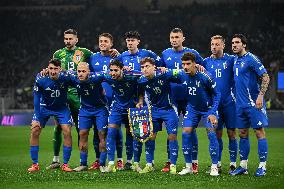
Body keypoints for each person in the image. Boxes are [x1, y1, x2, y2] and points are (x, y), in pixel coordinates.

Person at [46, 29, 94, 170]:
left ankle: (82, 162)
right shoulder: (58, 54)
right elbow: (53, 69)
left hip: (77, 95)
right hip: (61, 94)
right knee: (58, 127)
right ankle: (55, 160)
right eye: (66, 39)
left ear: (76, 39)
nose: (67, 41)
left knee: (81, 128)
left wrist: (113, 51)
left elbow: (95, 63)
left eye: (70, 38)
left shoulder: (85, 53)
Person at [115, 31, 163, 170]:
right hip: (131, 98)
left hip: (145, 97)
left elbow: (159, 65)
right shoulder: (122, 56)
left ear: (138, 42)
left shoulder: (148, 54)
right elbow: (116, 71)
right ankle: (133, 161)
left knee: (147, 132)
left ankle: (149, 162)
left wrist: (161, 68)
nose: (130, 43)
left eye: (132, 40)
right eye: (128, 40)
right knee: (133, 131)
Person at [160, 28, 203, 173]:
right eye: (172, 37)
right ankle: (169, 161)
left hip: (189, 98)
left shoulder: (193, 53)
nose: (174, 39)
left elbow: (203, 69)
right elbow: (160, 71)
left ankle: (194, 162)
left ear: (183, 38)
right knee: (171, 131)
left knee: (190, 130)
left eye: (177, 37)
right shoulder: (165, 53)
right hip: (172, 99)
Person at [229, 34, 270, 177]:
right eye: (233, 43)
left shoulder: (251, 59)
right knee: (242, 133)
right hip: (240, 105)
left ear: (244, 45)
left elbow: (265, 76)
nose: (234, 45)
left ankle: (262, 166)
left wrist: (260, 96)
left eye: (237, 42)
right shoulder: (234, 60)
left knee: (259, 132)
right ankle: (243, 166)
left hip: (254, 103)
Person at [136, 57, 182, 174]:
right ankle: (149, 164)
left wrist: (170, 70)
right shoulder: (141, 80)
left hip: (169, 109)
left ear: (154, 67)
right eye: (142, 67)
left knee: (172, 136)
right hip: (154, 110)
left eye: (147, 66)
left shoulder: (163, 74)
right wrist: (140, 101)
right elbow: (140, 91)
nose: (144, 69)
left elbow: (180, 73)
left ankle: (173, 165)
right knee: (150, 137)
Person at [178, 52, 221, 176]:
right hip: (192, 109)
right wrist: (161, 69)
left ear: (195, 64)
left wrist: (212, 112)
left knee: (211, 133)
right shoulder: (181, 74)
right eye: (183, 64)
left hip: (208, 110)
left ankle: (214, 167)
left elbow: (217, 94)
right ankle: (188, 166)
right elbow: (169, 73)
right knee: (185, 133)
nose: (185, 67)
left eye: (188, 64)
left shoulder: (205, 76)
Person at [28, 59, 73, 172]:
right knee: (35, 130)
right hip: (44, 107)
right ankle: (35, 164)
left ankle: (65, 164)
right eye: (51, 68)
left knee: (67, 131)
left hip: (61, 108)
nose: (52, 71)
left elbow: (79, 80)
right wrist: (37, 118)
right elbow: (36, 99)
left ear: (60, 69)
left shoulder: (66, 76)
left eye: (55, 69)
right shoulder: (41, 78)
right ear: (48, 68)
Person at [98, 60, 142, 173]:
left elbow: (146, 75)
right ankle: (111, 163)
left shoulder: (132, 75)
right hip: (116, 108)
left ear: (122, 69)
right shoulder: (107, 76)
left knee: (130, 136)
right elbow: (92, 75)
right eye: (111, 70)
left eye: (116, 70)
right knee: (111, 133)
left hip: (131, 108)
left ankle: (129, 162)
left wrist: (140, 100)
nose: (113, 73)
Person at [89, 33, 124, 170]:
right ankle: (99, 160)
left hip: (114, 99)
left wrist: (119, 55)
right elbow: (89, 77)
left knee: (116, 130)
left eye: (105, 41)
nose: (102, 43)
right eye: (100, 41)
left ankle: (119, 159)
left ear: (111, 44)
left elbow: (123, 73)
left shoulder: (117, 57)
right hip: (98, 101)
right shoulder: (93, 58)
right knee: (98, 131)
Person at [203, 35, 238, 173]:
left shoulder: (231, 60)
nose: (214, 47)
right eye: (212, 44)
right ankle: (217, 163)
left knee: (231, 134)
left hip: (229, 103)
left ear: (223, 45)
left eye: (217, 44)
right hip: (214, 105)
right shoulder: (205, 62)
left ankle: (233, 163)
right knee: (217, 134)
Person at [68, 62, 109, 172]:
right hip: (85, 110)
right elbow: (60, 73)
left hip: (100, 109)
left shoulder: (97, 77)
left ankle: (102, 164)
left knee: (102, 135)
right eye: (79, 71)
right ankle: (83, 164)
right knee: (82, 134)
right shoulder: (73, 78)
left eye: (83, 71)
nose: (80, 74)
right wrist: (46, 71)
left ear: (89, 72)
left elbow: (111, 74)